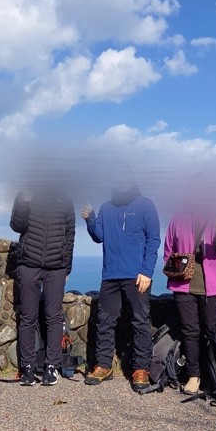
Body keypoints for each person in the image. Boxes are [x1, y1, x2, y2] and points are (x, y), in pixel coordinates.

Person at [82, 163, 161, 392]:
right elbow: (100, 237)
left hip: (137, 275)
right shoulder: (106, 207)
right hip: (110, 274)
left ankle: (141, 369)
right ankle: (104, 366)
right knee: (105, 322)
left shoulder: (146, 204)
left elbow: (153, 239)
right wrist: (90, 220)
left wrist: (147, 271)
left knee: (140, 322)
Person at [163, 176, 216, 395]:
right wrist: (175, 270)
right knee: (190, 331)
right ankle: (194, 375)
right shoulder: (178, 218)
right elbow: (168, 249)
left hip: (211, 285)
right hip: (184, 285)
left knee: (212, 331)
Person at [10, 183, 75, 387]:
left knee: (53, 316)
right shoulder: (26, 193)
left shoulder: (65, 199)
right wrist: (22, 202)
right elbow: (16, 225)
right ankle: (27, 367)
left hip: (56, 267)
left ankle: (51, 367)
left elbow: (70, 235)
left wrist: (67, 268)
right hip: (29, 264)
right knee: (28, 316)